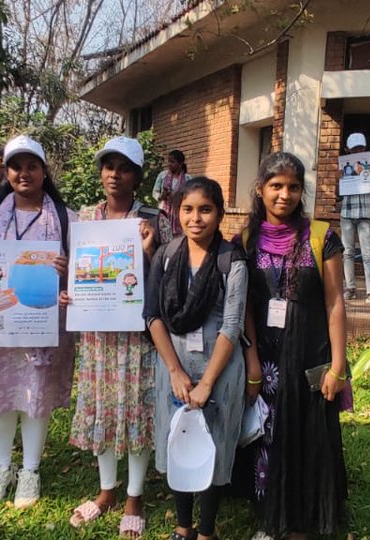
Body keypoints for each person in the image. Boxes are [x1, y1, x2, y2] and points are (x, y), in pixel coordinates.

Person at [236, 152, 349, 539]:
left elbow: (335, 303)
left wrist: (338, 366)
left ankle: (302, 520)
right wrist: (251, 362)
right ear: (260, 189)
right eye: (276, 186)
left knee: (308, 436)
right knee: (269, 435)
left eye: (293, 186)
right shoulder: (246, 240)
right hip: (266, 360)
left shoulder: (322, 237)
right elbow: (245, 307)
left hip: (311, 358)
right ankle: (272, 517)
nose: (285, 194)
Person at [0, 134, 76, 509]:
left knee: (35, 394)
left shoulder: (65, 218)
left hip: (43, 325)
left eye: (32, 166)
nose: (23, 173)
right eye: (16, 166)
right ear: (6, 171)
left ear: (45, 171)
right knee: (1, 392)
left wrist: (67, 273)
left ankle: (29, 470)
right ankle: (1, 466)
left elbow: (84, 273)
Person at [59, 136, 157, 538]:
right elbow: (81, 271)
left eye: (124, 168)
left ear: (137, 176)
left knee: (135, 407)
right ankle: (105, 491)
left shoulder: (151, 218)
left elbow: (164, 277)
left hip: (136, 334)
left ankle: (134, 495)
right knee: (102, 405)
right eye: (109, 166)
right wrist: (68, 288)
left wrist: (149, 252)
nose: (114, 174)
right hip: (98, 333)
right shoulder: (85, 217)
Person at [145, 177, 247, 540]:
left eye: (205, 209)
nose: (196, 218)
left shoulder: (230, 259)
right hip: (172, 367)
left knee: (214, 448)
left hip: (219, 370)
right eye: (187, 209)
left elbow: (232, 325)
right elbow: (152, 315)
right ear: (176, 212)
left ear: (219, 214)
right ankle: (182, 526)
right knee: (177, 443)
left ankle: (206, 531)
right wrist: (174, 370)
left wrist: (206, 383)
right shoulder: (166, 254)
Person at [336, 132, 370, 307]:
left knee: (368, 254)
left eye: (361, 147)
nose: (358, 150)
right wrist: (338, 180)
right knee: (347, 252)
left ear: (365, 147)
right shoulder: (344, 164)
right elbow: (337, 194)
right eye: (354, 148)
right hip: (347, 213)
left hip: (366, 212)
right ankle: (350, 288)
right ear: (349, 149)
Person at [152, 149, 190, 244]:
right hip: (164, 212)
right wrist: (162, 196)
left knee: (178, 241)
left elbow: (190, 197)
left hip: (179, 214)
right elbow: (155, 192)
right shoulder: (162, 176)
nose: (169, 164)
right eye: (169, 161)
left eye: (172, 162)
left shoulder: (188, 179)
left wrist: (178, 197)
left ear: (180, 163)